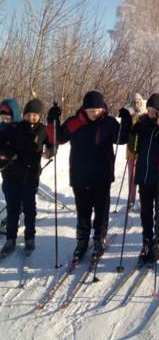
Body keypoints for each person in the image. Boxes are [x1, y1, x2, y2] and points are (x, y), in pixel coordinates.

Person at [47, 91, 130, 260]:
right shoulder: (74, 122)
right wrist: (52, 120)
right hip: (80, 175)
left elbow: (122, 139)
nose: (94, 113)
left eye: (98, 109)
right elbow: (57, 138)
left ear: (103, 108)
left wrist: (127, 121)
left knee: (101, 210)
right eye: (91, 110)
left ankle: (99, 239)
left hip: (102, 175)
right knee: (83, 212)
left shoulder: (108, 123)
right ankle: (82, 241)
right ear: (84, 109)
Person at [124, 93, 159, 264]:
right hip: (143, 174)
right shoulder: (142, 123)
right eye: (149, 109)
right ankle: (147, 239)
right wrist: (129, 128)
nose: (151, 113)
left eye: (154, 111)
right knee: (146, 210)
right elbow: (134, 144)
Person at [0, 99, 53, 257]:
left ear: (39, 116)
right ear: (23, 115)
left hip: (30, 176)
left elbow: (53, 142)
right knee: (13, 209)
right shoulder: (14, 128)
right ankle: (11, 239)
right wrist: (10, 154)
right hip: (12, 175)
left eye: (35, 115)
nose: (31, 118)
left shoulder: (43, 130)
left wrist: (50, 151)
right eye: (28, 114)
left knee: (30, 209)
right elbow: (1, 145)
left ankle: (30, 238)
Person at [0, 99, 22, 236]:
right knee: (9, 193)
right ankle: (11, 216)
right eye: (2, 118)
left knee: (20, 195)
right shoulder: (1, 128)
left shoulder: (20, 128)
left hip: (21, 169)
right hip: (6, 170)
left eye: (8, 118)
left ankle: (17, 215)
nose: (5, 120)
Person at [125, 93, 147, 211]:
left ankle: (143, 199)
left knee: (142, 176)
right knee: (132, 176)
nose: (137, 103)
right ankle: (131, 200)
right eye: (135, 101)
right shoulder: (128, 114)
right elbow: (124, 131)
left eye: (139, 100)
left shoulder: (146, 113)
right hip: (130, 149)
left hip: (142, 150)